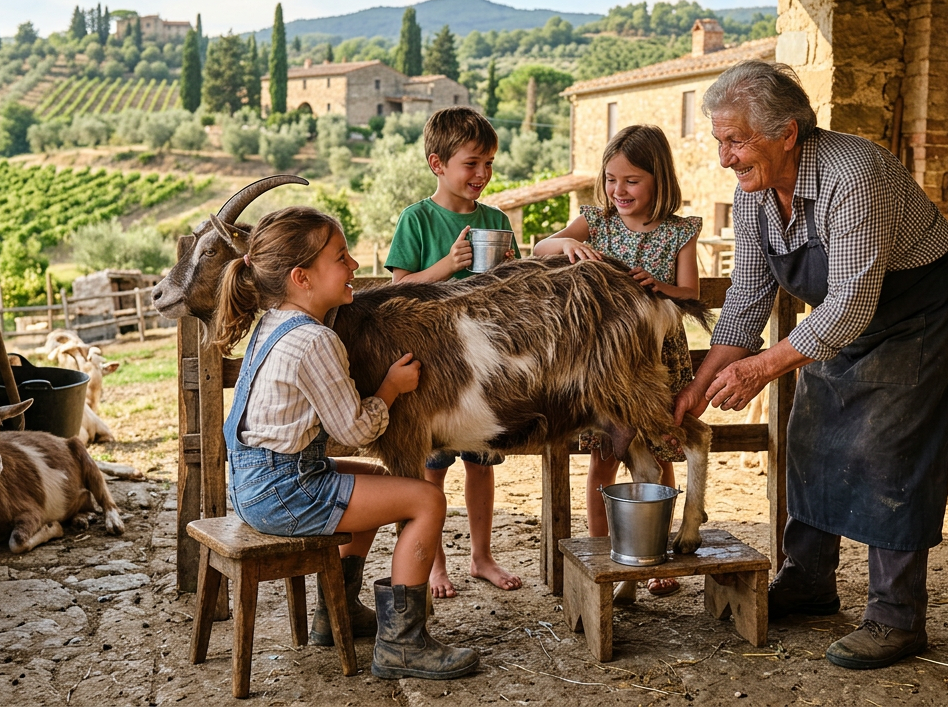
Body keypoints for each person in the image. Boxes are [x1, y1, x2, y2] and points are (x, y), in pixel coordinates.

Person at [673, 61, 948, 670]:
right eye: (720, 141)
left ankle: (896, 618)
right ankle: (809, 580)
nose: (726, 158)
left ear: (787, 133)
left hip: (917, 313)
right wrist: (698, 385)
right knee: (811, 434)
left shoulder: (854, 174)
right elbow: (748, 298)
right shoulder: (756, 193)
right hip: (843, 321)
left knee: (890, 452)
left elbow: (851, 300)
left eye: (736, 141)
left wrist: (765, 367)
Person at [213, 206, 478, 680]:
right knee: (425, 500)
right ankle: (403, 645)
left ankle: (337, 613)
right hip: (285, 493)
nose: (354, 265)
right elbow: (355, 431)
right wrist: (391, 390)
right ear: (302, 277)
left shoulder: (272, 324)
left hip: (254, 482)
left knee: (375, 482)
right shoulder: (315, 341)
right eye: (341, 257)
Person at [534, 124, 701, 603]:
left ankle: (651, 551)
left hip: (654, 358)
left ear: (659, 180)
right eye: (611, 179)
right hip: (604, 364)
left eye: (631, 180)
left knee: (660, 453)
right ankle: (605, 549)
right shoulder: (597, 222)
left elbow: (689, 291)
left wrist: (660, 286)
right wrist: (566, 246)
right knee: (604, 458)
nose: (618, 190)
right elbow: (543, 247)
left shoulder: (679, 233)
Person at [384, 106, 522, 598]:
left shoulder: (496, 220)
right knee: (432, 471)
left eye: (488, 163)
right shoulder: (417, 219)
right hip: (434, 372)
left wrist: (505, 274)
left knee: (482, 466)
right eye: (472, 163)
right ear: (437, 163)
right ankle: (436, 564)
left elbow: (515, 294)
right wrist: (447, 266)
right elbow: (397, 291)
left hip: (483, 372)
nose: (482, 174)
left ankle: (481, 557)